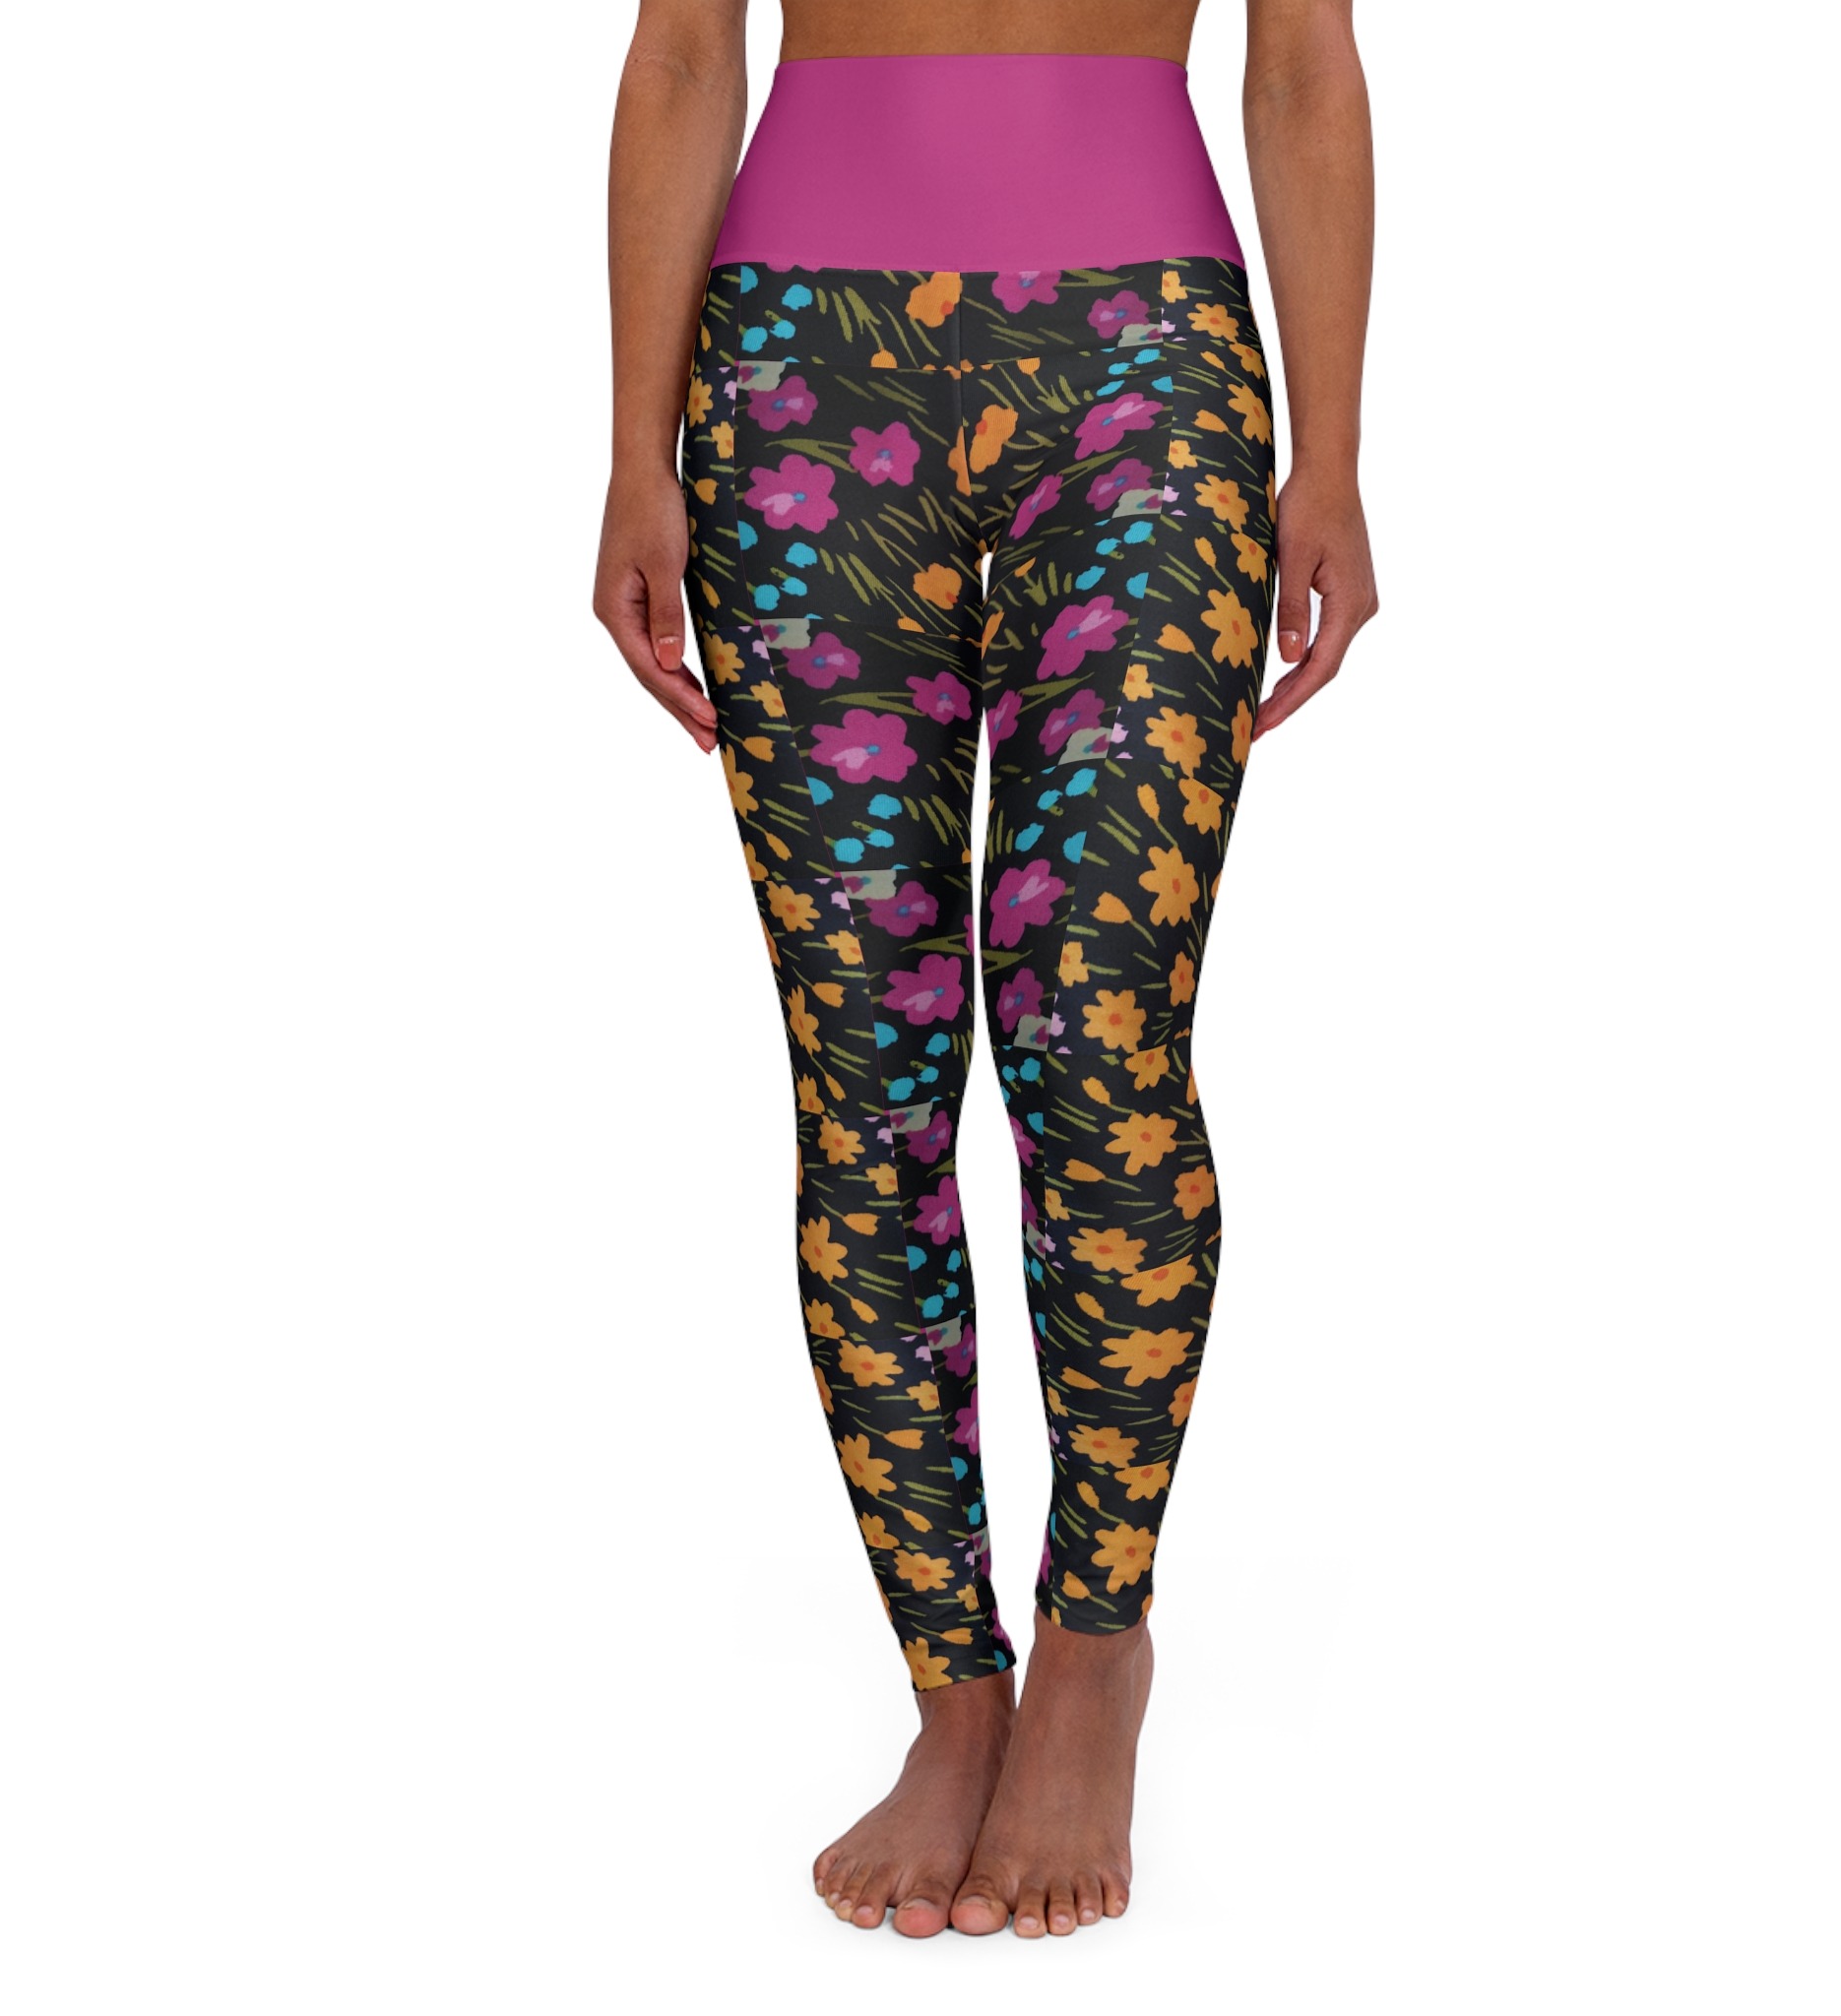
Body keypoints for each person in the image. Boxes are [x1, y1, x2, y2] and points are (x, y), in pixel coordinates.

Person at [592, 0, 1377, 1940]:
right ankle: (954, 1688)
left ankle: (1095, 1647)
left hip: (1149, 375)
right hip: (790, 375)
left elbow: (1298, 61)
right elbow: (683, 50)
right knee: (866, 1079)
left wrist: (1334, 457)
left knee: (1098, 1043)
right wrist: (631, 450)